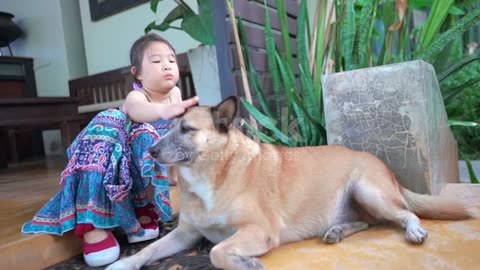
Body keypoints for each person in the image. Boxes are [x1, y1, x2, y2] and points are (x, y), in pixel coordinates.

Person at [21, 33, 198, 267]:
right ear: (138, 73)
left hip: (140, 165)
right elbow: (138, 111)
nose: (167, 65)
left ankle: (142, 208)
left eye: (172, 60)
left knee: (154, 141)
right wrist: (162, 112)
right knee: (129, 126)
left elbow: (171, 139)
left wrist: (174, 176)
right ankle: (91, 223)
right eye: (156, 61)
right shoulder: (138, 96)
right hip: (115, 154)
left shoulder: (175, 93)